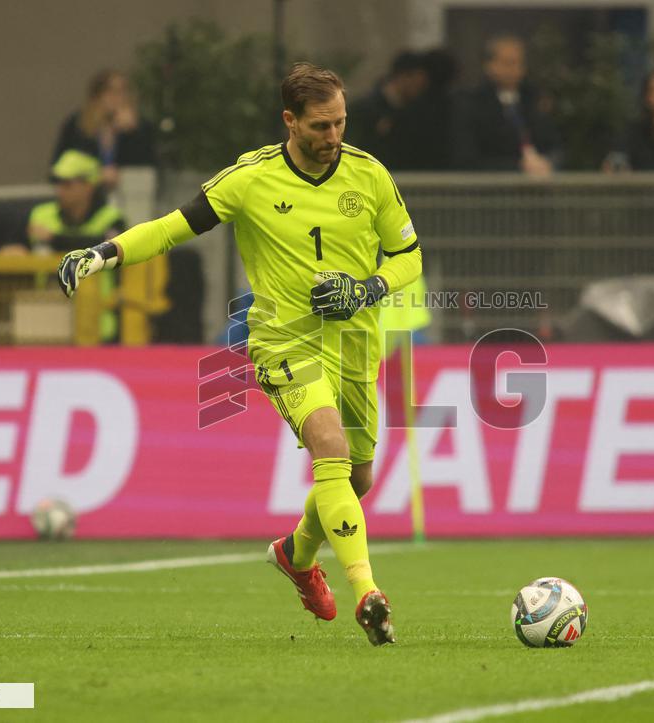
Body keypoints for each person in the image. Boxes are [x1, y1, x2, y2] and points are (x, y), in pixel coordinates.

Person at [56, 62, 422, 646]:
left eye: (341, 124)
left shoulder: (369, 175)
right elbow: (173, 227)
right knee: (327, 443)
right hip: (283, 339)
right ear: (290, 120)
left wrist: (369, 287)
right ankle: (368, 593)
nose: (334, 138)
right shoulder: (250, 179)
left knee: (357, 478)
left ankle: (296, 555)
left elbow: (410, 257)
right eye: (322, 126)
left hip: (356, 344)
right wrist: (104, 253)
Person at [27, 150, 127, 343]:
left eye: (68, 184)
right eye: (58, 183)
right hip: (48, 322)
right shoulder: (41, 215)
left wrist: (54, 239)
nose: (60, 190)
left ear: (88, 186)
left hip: (99, 326)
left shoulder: (112, 218)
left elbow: (106, 248)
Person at [452, 35, 561, 175]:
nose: (515, 69)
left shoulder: (533, 99)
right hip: (491, 188)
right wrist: (518, 167)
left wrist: (548, 162)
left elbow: (554, 144)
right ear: (489, 66)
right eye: (508, 63)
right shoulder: (470, 103)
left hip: (538, 186)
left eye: (519, 63)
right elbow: (466, 159)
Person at [51, 69, 156, 189]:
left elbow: (147, 168)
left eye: (123, 91)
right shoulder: (77, 125)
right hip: (87, 195)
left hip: (128, 194)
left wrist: (133, 133)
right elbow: (59, 169)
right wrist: (97, 175)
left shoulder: (141, 127)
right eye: (112, 91)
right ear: (97, 96)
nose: (118, 98)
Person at [348, 52, 430, 169]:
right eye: (417, 85)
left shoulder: (417, 110)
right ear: (402, 77)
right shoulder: (363, 109)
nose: (419, 91)